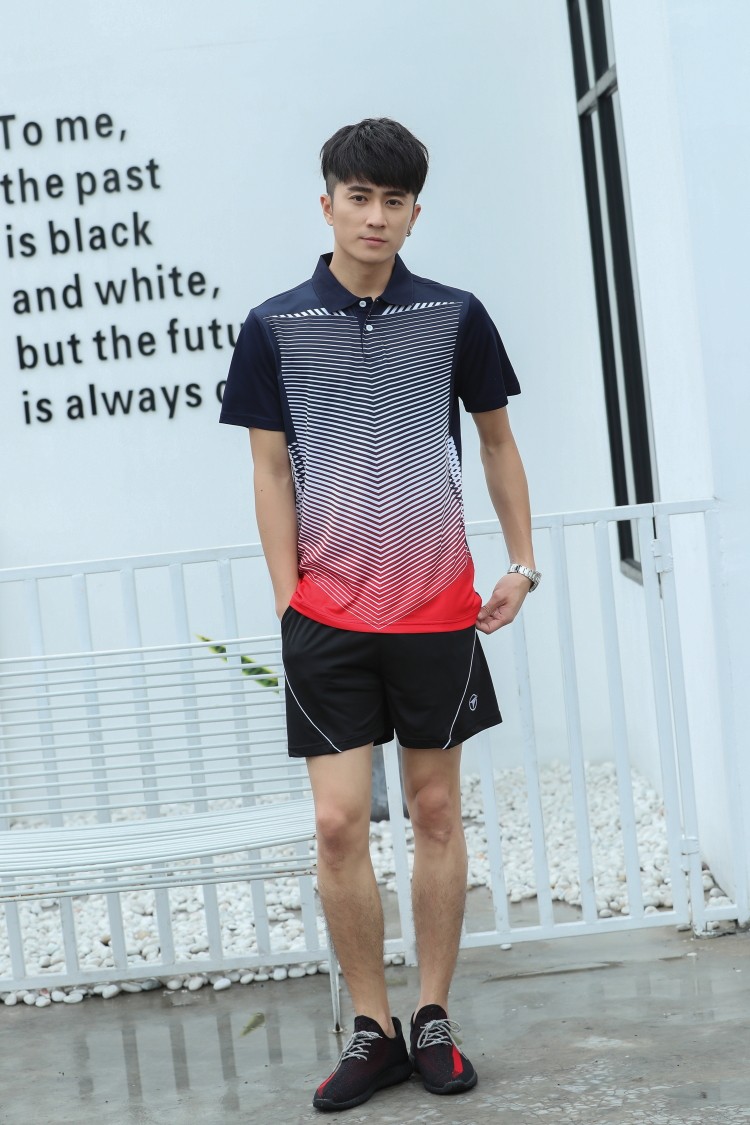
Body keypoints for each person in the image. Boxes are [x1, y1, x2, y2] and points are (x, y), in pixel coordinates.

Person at [220, 117, 540, 1113]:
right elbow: (270, 472)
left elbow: (496, 442)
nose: (374, 215)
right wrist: (290, 601)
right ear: (328, 205)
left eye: (392, 200)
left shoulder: (455, 315)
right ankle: (373, 1028)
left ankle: (432, 1017)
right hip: (328, 618)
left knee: (436, 812)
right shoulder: (274, 326)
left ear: (413, 214)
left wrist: (521, 564)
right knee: (336, 825)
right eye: (358, 197)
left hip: (437, 609)